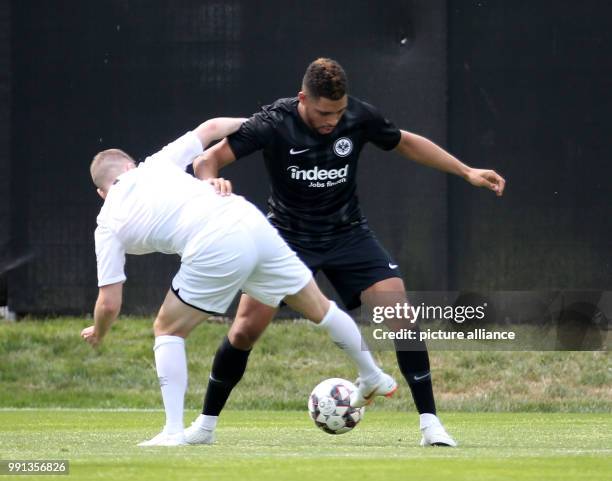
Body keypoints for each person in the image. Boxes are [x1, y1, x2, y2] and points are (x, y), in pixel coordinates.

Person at [186, 58, 506, 447]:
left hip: (348, 234)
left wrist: (467, 171)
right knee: (244, 330)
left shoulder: (357, 116)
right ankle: (204, 428)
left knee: (400, 318)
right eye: (323, 112)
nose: (332, 121)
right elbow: (207, 160)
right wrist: (212, 181)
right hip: (285, 240)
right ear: (303, 98)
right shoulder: (274, 122)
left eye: (338, 112)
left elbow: (404, 141)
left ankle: (430, 425)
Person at [80, 116, 397, 447]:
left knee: (168, 330)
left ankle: (173, 431)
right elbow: (213, 127)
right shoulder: (154, 165)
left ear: (102, 192)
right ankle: (372, 374)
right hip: (248, 218)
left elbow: (109, 302)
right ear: (130, 167)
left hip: (213, 240)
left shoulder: (107, 223)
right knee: (321, 307)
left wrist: (99, 331)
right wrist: (270, 121)